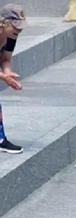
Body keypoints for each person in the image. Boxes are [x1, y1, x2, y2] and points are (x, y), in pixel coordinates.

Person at [0, 3, 25, 154]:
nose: (19, 29)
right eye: (16, 25)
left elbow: (5, 59)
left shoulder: (11, 36)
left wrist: (8, 74)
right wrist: (3, 77)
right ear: (4, 23)